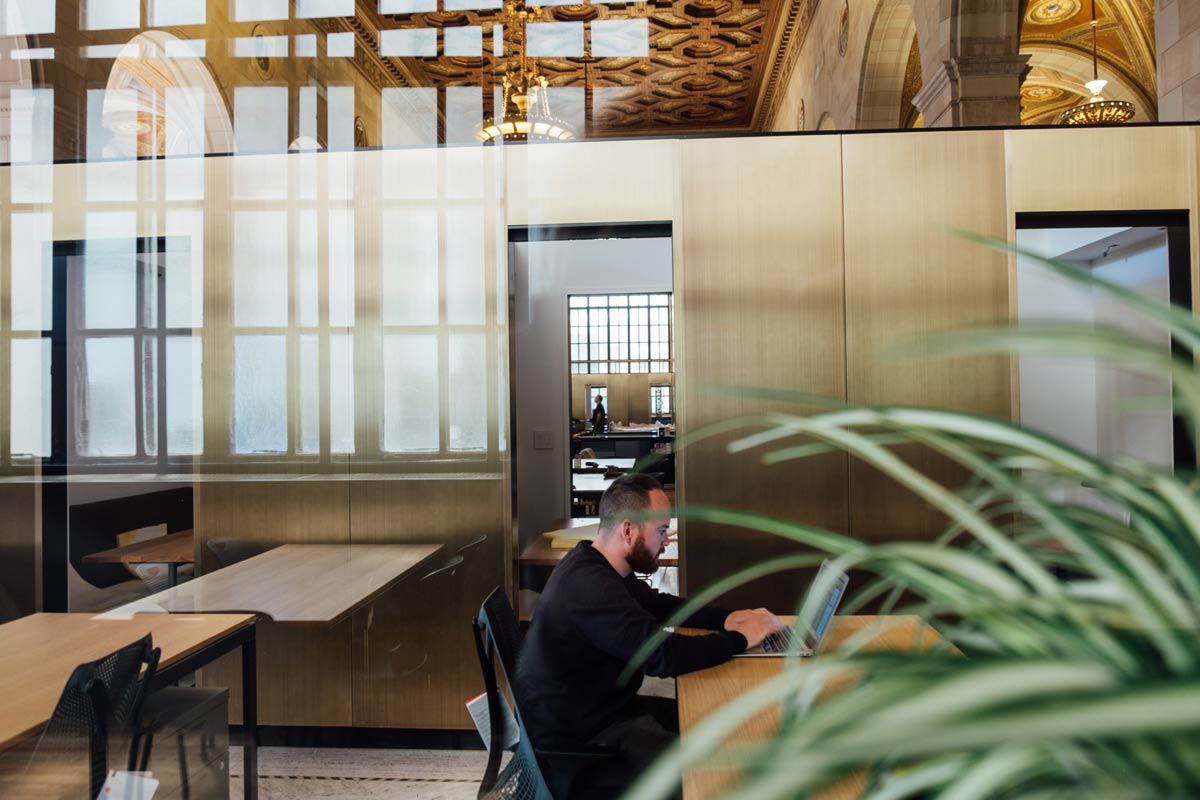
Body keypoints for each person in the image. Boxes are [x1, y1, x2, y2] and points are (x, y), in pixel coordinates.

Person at [516, 473, 783, 798]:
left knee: (708, 721)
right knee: (712, 770)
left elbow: (657, 604)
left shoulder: (596, 563)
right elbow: (664, 657)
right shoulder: (592, 587)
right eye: (661, 531)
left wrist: (726, 619)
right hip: (580, 741)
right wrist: (740, 639)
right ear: (628, 530)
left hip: (600, 709)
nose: (666, 541)